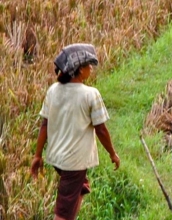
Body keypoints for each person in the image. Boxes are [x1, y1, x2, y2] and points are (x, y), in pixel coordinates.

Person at [30, 43, 120, 220]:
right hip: (74, 162)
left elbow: (44, 125)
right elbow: (101, 129)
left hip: (57, 158)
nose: (91, 69)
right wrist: (113, 154)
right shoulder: (90, 94)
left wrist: (37, 155)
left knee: (80, 187)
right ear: (79, 70)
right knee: (62, 214)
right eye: (88, 66)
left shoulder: (53, 91)